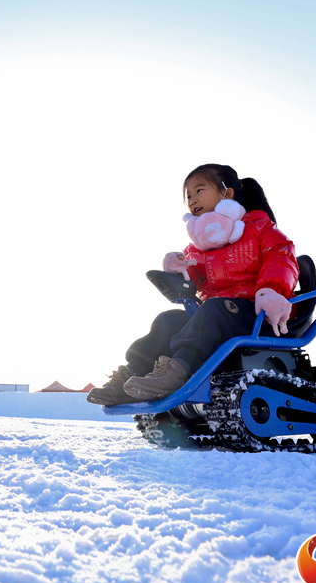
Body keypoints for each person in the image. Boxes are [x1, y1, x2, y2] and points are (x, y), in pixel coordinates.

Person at [86, 164, 298, 404]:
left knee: (213, 308)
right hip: (216, 317)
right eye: (188, 195)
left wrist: (271, 290)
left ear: (226, 193)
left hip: (258, 314)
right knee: (168, 319)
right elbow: (194, 278)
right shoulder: (200, 246)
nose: (192, 199)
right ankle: (132, 373)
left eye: (199, 190)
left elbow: (281, 258)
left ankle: (177, 370)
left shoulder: (259, 228)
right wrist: (180, 270)